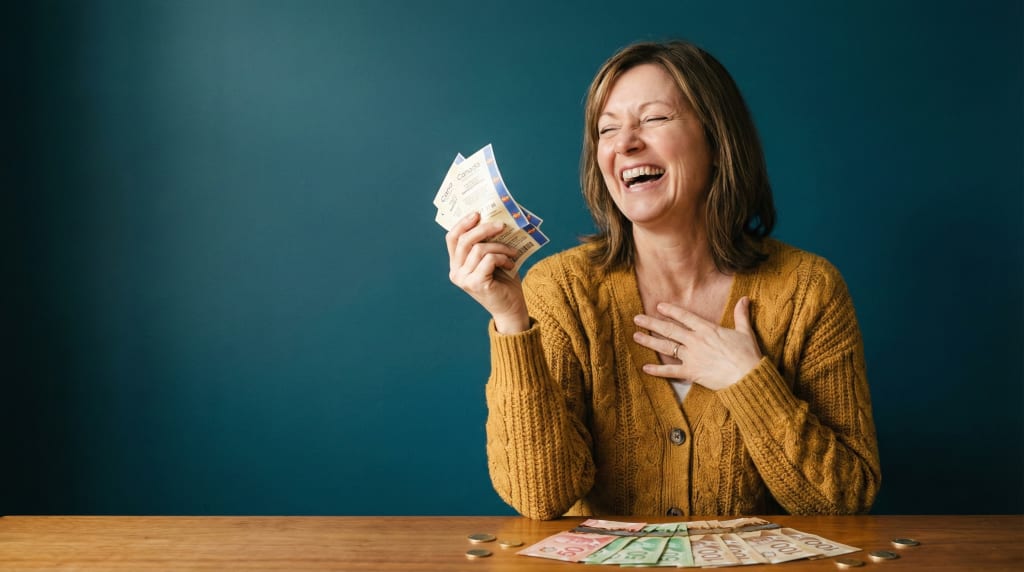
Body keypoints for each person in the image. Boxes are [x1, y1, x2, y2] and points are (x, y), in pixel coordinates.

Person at [444, 40, 881, 520]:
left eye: (653, 119)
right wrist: (511, 321)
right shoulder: (559, 290)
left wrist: (746, 380)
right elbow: (539, 497)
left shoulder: (808, 289)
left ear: (717, 141)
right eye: (607, 129)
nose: (625, 143)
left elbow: (845, 499)